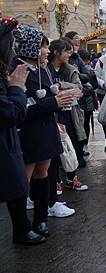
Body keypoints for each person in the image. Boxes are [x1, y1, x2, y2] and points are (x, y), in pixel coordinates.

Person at [13, 25, 77, 236]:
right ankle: (22, 227)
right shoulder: (16, 70)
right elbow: (22, 106)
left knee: (44, 173)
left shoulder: (43, 69)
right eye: (43, 47)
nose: (47, 52)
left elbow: (49, 97)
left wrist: (65, 96)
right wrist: (55, 102)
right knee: (24, 179)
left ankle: (41, 220)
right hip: (29, 132)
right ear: (32, 48)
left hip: (47, 128)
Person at [0, 18, 46, 245]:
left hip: (12, 140)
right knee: (19, 182)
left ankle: (26, 225)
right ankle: (22, 228)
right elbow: (12, 112)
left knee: (20, 183)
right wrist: (17, 87)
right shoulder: (16, 71)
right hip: (13, 137)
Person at [47, 39, 88, 191]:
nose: (70, 54)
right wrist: (67, 92)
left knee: (72, 146)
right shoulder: (45, 69)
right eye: (67, 51)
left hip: (70, 114)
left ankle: (72, 178)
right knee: (55, 149)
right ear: (57, 52)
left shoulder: (70, 70)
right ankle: (55, 181)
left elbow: (79, 89)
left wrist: (59, 87)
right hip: (52, 115)